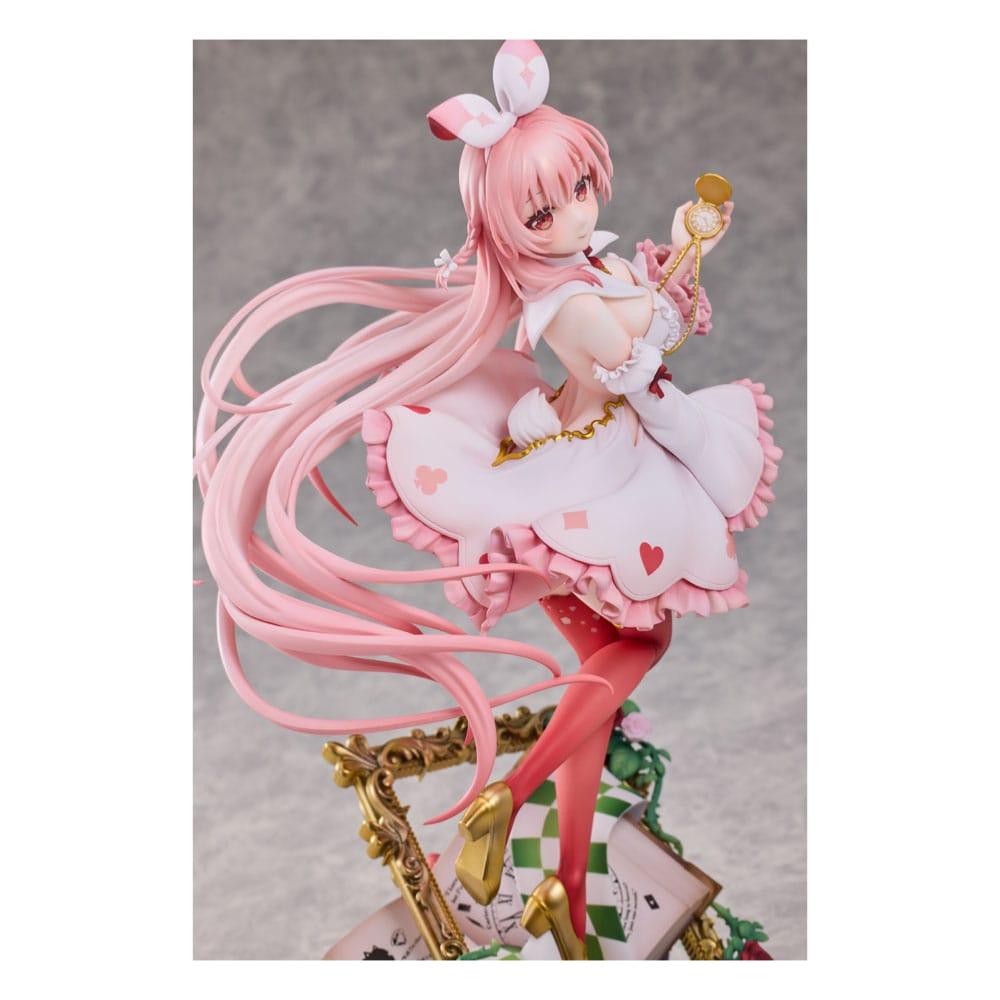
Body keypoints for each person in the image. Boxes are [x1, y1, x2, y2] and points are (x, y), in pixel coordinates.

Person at [195, 39, 781, 960]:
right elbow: (633, 358)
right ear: (508, 228)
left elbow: (655, 314)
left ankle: (565, 891)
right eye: (544, 210)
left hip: (602, 460)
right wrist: (665, 285)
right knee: (642, 644)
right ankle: (509, 797)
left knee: (601, 676)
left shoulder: (589, 270)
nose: (574, 214)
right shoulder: (563, 302)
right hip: (585, 477)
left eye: (579, 188)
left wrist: (687, 252)